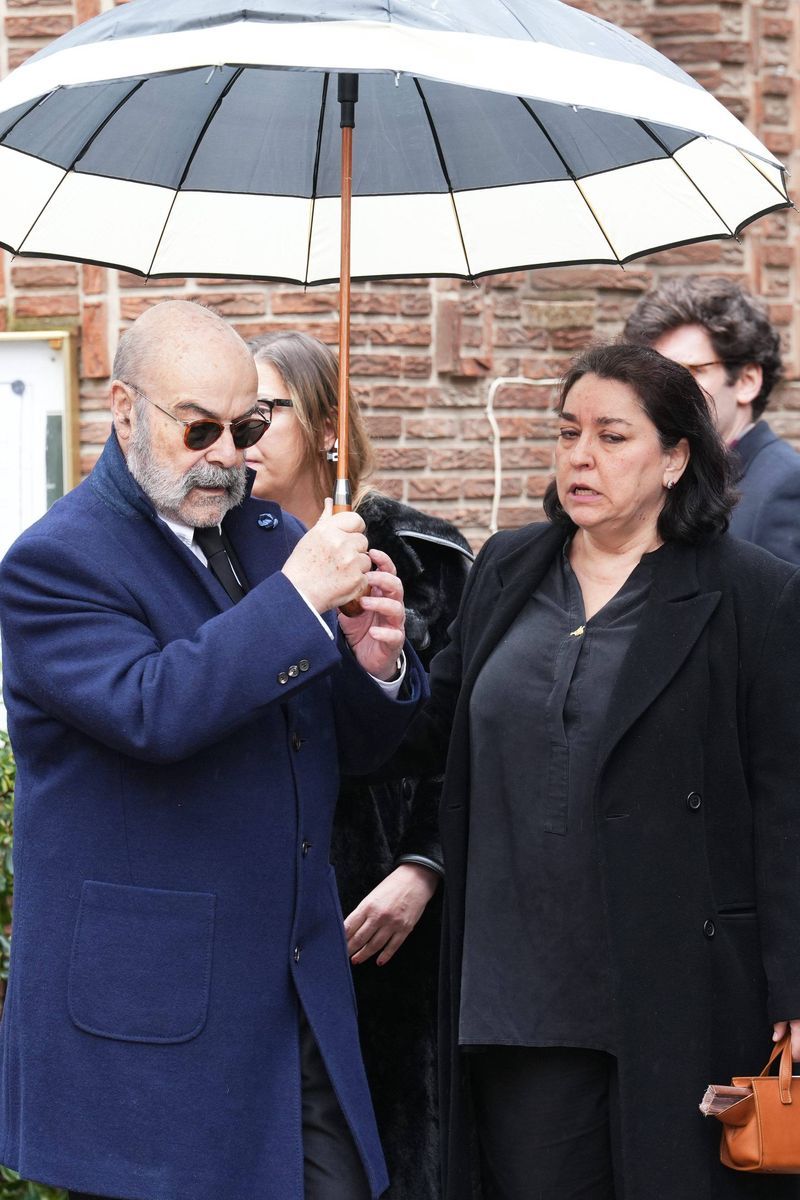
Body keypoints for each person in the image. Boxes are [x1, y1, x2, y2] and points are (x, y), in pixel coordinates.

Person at [0, 301, 427, 1200]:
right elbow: (152, 710)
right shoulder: (56, 563)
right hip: (152, 1024)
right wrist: (298, 604)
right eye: (200, 428)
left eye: (248, 427)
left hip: (293, 998)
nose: (228, 456)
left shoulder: (270, 536)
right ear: (124, 410)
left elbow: (337, 745)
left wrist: (377, 667)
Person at [394, 343, 800, 1200]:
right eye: (568, 431)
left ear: (676, 457)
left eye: (613, 436)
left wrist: (793, 986)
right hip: (521, 985)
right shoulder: (507, 567)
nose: (581, 455)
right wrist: (384, 664)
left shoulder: (753, 594)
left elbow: (784, 804)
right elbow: (431, 738)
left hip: (679, 985)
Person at [245, 330, 473, 1200]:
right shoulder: (223, 561)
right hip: (271, 907)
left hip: (394, 918)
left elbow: (475, 738)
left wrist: (426, 866)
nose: (244, 436)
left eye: (265, 414)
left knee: (395, 1144)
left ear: (327, 426)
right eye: (235, 419)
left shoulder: (431, 558)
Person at [623, 275, 800, 563]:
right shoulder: (670, 477)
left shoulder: (786, 486)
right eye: (655, 376)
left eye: (689, 371)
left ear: (747, 381)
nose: (666, 391)